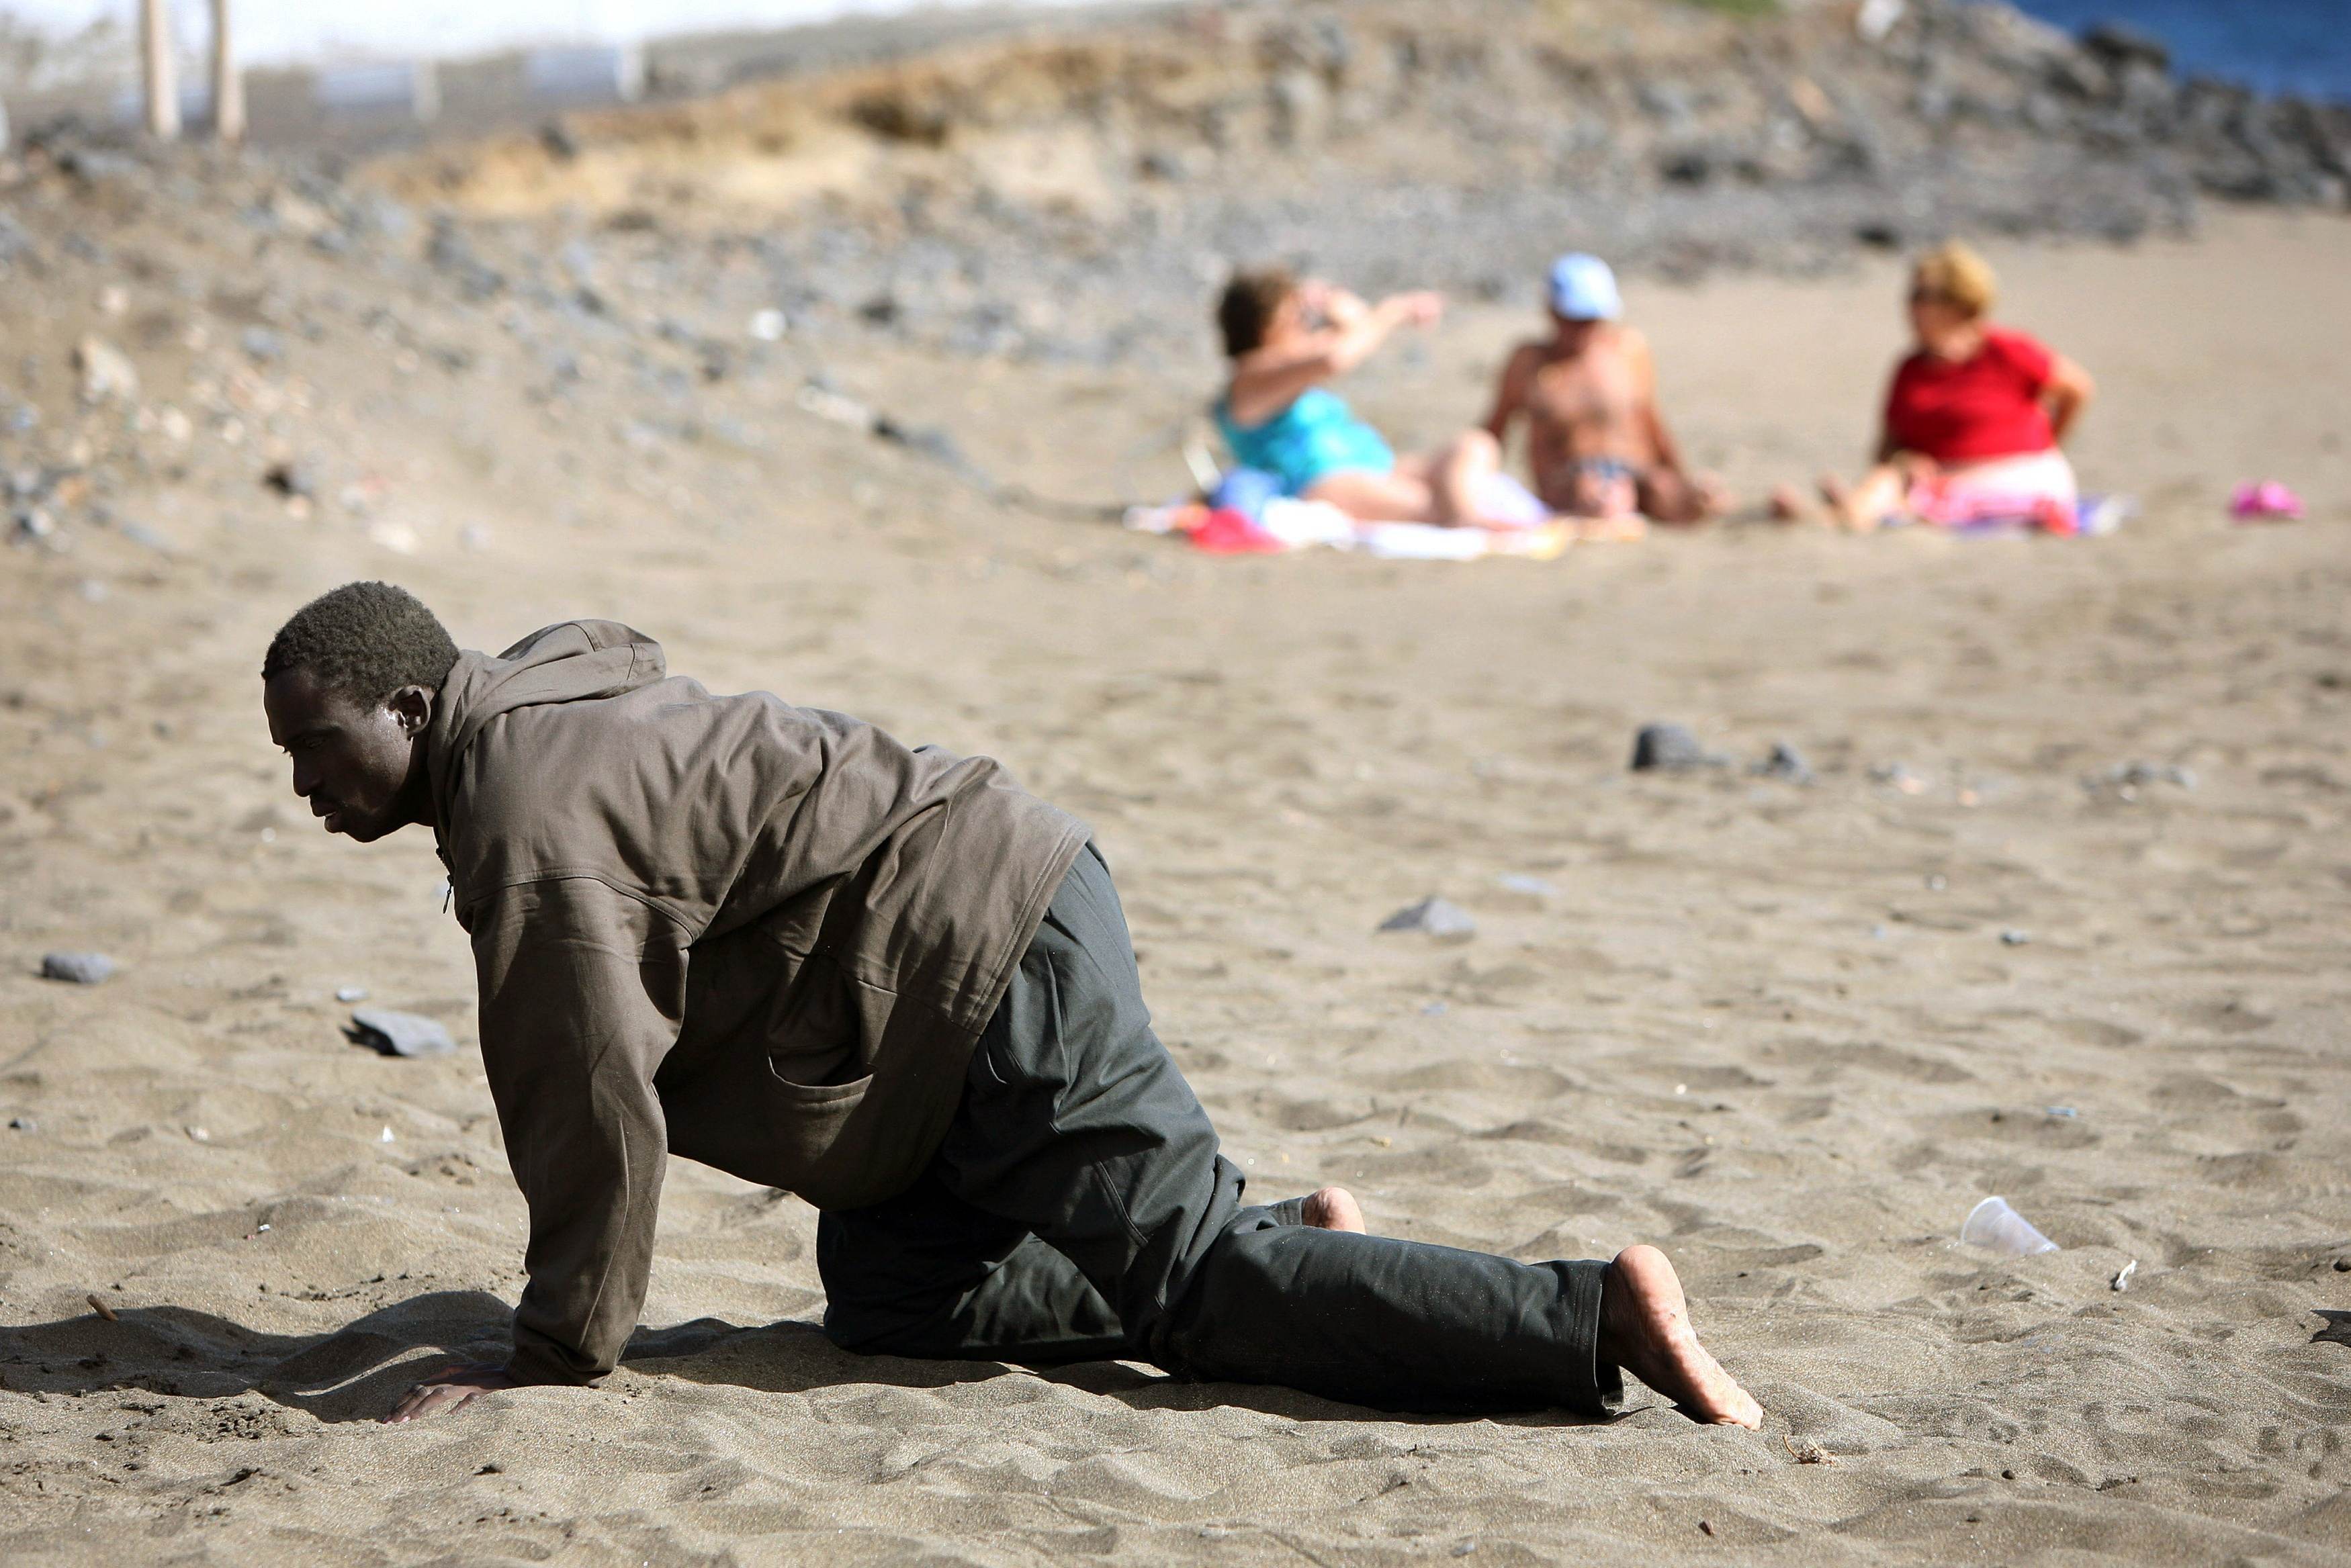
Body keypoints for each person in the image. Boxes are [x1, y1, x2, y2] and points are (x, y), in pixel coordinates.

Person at [260, 582, 1762, 1429]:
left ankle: (1590, 1313)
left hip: (980, 957)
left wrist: (552, 1356)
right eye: (288, 760)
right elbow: (627, 657)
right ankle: (1290, 1246)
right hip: (920, 1011)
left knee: (1191, 1299)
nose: (309, 790)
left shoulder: (527, 823)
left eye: (322, 748)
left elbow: (589, 1106)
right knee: (900, 1301)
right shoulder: (525, 704)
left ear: (410, 707)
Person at [1785, 241, 2096, 531]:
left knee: (1888, 485)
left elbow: (2077, 389)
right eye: (1911, 296)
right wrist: (1906, 460)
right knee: (1891, 479)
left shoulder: (2005, 350)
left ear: (1958, 304)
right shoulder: (1911, 368)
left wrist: (2051, 443)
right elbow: (1888, 444)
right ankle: (1849, 509)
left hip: (2021, 474)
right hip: (1948, 478)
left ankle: (1831, 517)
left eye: (1923, 296)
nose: (1910, 307)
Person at [1215, 269, 1532, 530]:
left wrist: (1328, 300)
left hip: (1375, 467)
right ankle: (1467, 519)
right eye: (1297, 317)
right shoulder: (1251, 376)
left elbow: (1350, 332)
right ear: (1266, 328)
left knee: (1475, 445)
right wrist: (1394, 310)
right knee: (1429, 505)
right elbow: (1336, 356)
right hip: (1322, 480)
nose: (1305, 325)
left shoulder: (1290, 369)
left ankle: (1466, 515)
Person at [1482, 252, 1727, 534]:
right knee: (1590, 493)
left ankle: (1756, 510)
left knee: (1691, 497)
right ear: (1552, 312)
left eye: (1591, 320)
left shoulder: (1627, 349)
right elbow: (1494, 432)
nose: (1583, 331)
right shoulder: (1530, 362)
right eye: (1573, 320)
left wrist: (1679, 479)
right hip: (1569, 481)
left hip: (1634, 472)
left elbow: (1650, 421)